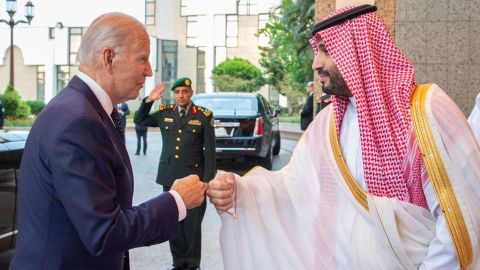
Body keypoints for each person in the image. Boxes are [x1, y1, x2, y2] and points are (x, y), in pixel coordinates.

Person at [207, 5, 480, 269]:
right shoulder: (327, 124)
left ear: (360, 50)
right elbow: (293, 189)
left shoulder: (425, 111)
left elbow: (461, 219)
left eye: (326, 50)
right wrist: (240, 192)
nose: (316, 63)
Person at [11, 13, 207, 270]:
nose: (149, 70)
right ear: (109, 58)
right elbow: (104, 232)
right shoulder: (78, 120)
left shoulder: (84, 109)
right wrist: (177, 200)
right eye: (142, 58)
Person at [134, 77, 216, 270]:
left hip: (195, 179)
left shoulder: (203, 116)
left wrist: (207, 181)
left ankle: (193, 264)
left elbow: (210, 152)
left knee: (192, 225)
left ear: (191, 93)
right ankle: (179, 262)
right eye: (177, 92)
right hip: (170, 177)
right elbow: (140, 119)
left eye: (185, 92)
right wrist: (149, 100)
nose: (181, 95)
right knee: (175, 221)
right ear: (173, 94)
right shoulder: (165, 113)